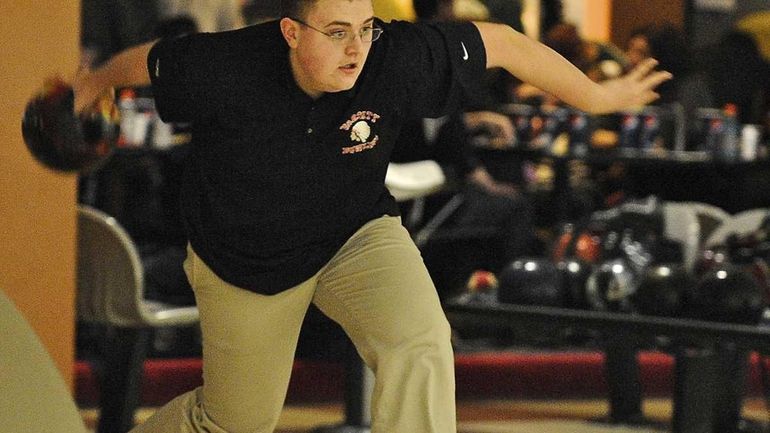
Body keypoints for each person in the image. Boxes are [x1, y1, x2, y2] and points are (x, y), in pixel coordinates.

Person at [71, 0, 670, 431]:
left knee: (422, 341)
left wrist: (596, 97)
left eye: (365, 27)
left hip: (354, 233)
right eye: (336, 32)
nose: (356, 49)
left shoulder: (394, 55)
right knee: (235, 421)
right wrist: (95, 81)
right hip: (245, 257)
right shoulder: (223, 64)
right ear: (290, 32)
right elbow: (146, 63)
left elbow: (506, 43)